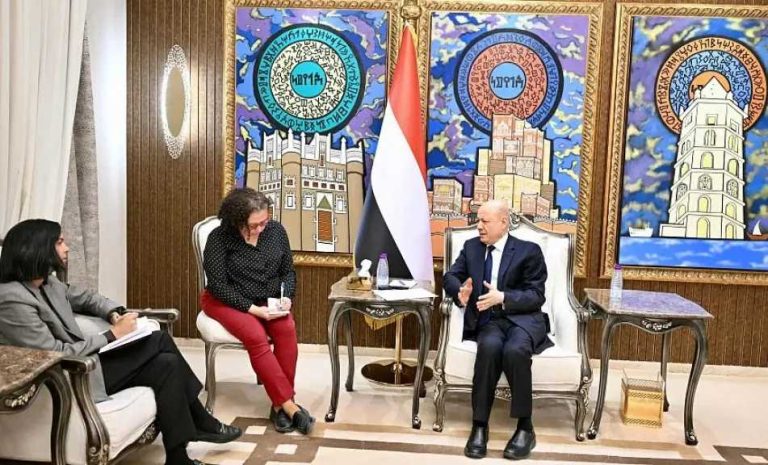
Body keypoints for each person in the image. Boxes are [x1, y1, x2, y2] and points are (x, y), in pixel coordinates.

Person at [0, 219, 241, 465]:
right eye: (60, 242)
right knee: (160, 339)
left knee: (166, 364)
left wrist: (113, 312)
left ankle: (179, 457)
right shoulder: (12, 300)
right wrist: (111, 335)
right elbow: (53, 353)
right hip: (69, 375)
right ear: (38, 248)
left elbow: (87, 298)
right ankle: (201, 420)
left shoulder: (49, 283)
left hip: (89, 362)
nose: (67, 248)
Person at [443, 200, 552, 460]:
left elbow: (536, 295)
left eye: (485, 221)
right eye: (478, 220)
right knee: (489, 348)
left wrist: (503, 297)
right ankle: (480, 425)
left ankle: (525, 427)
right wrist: (460, 291)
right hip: (489, 321)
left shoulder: (529, 251)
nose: (478, 226)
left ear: (503, 223)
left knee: (515, 351)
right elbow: (450, 276)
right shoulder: (472, 248)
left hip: (522, 320)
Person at [201, 188, 314, 434]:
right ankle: (289, 405)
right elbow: (218, 286)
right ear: (237, 220)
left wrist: (286, 297)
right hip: (226, 300)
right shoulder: (219, 238)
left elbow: (287, 272)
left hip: (267, 298)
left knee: (286, 328)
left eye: (265, 221)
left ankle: (278, 406)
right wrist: (253, 310)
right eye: (255, 225)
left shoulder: (276, 232)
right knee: (255, 335)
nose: (262, 228)